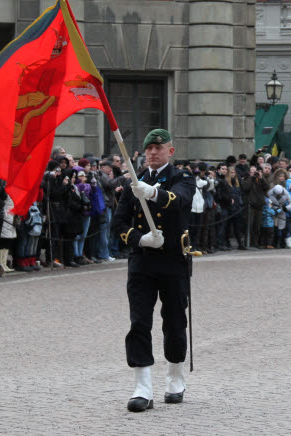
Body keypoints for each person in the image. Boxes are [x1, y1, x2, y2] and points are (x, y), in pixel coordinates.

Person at [112, 129, 195, 413]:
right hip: (142, 261)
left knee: (173, 320)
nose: (152, 153)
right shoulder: (133, 182)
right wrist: (139, 238)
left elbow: (180, 200)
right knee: (139, 322)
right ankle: (142, 387)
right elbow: (118, 224)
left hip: (173, 260)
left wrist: (154, 193)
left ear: (170, 151)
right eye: (148, 149)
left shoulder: (182, 178)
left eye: (158, 148)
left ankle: (175, 377)